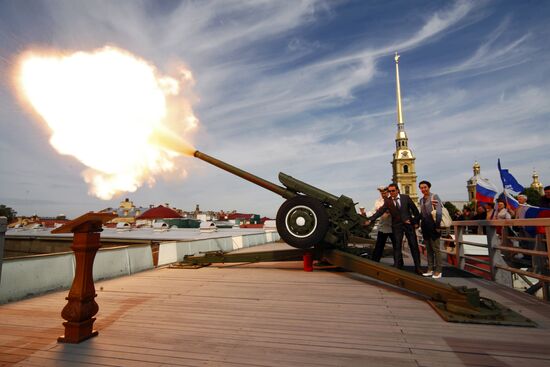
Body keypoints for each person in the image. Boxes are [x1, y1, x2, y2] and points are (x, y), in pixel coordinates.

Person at [366, 183, 422, 274]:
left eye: (393, 191)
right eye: (390, 191)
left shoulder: (405, 198)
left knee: (414, 246)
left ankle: (418, 268)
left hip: (408, 226)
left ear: (397, 190)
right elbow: (379, 212)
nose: (391, 192)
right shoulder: (388, 201)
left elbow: (416, 212)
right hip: (397, 227)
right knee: (397, 247)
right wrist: (370, 220)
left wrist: (414, 222)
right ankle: (397, 267)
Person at [418, 180, 443, 279]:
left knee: (436, 249)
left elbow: (439, 212)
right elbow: (422, 214)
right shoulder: (421, 200)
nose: (423, 189)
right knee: (428, 249)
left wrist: (437, 226)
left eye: (425, 187)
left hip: (433, 225)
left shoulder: (434, 197)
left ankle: (438, 270)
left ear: (429, 187)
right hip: (425, 225)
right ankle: (430, 269)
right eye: (421, 188)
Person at [370, 186, 397, 263]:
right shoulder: (378, 201)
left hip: (392, 227)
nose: (383, 194)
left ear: (387, 192)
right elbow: (377, 212)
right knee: (379, 246)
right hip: (382, 227)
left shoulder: (392, 200)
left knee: (396, 247)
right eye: (382, 193)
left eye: (385, 192)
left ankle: (398, 263)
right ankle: (374, 262)